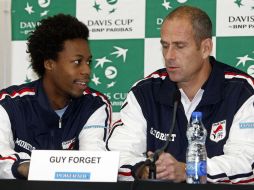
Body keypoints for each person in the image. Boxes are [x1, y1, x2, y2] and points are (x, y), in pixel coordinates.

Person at [106, 5, 254, 184]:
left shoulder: (242, 91)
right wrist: (145, 169)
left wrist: (189, 170)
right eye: (165, 46)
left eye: (179, 46)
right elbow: (117, 156)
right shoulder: (145, 92)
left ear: (206, 48)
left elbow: (246, 161)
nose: (169, 56)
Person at [0, 14, 111, 179]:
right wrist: (24, 167)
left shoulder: (94, 105)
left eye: (88, 62)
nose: (87, 71)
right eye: (77, 62)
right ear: (49, 63)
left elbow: (94, 162)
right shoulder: (10, 103)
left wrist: (43, 167)